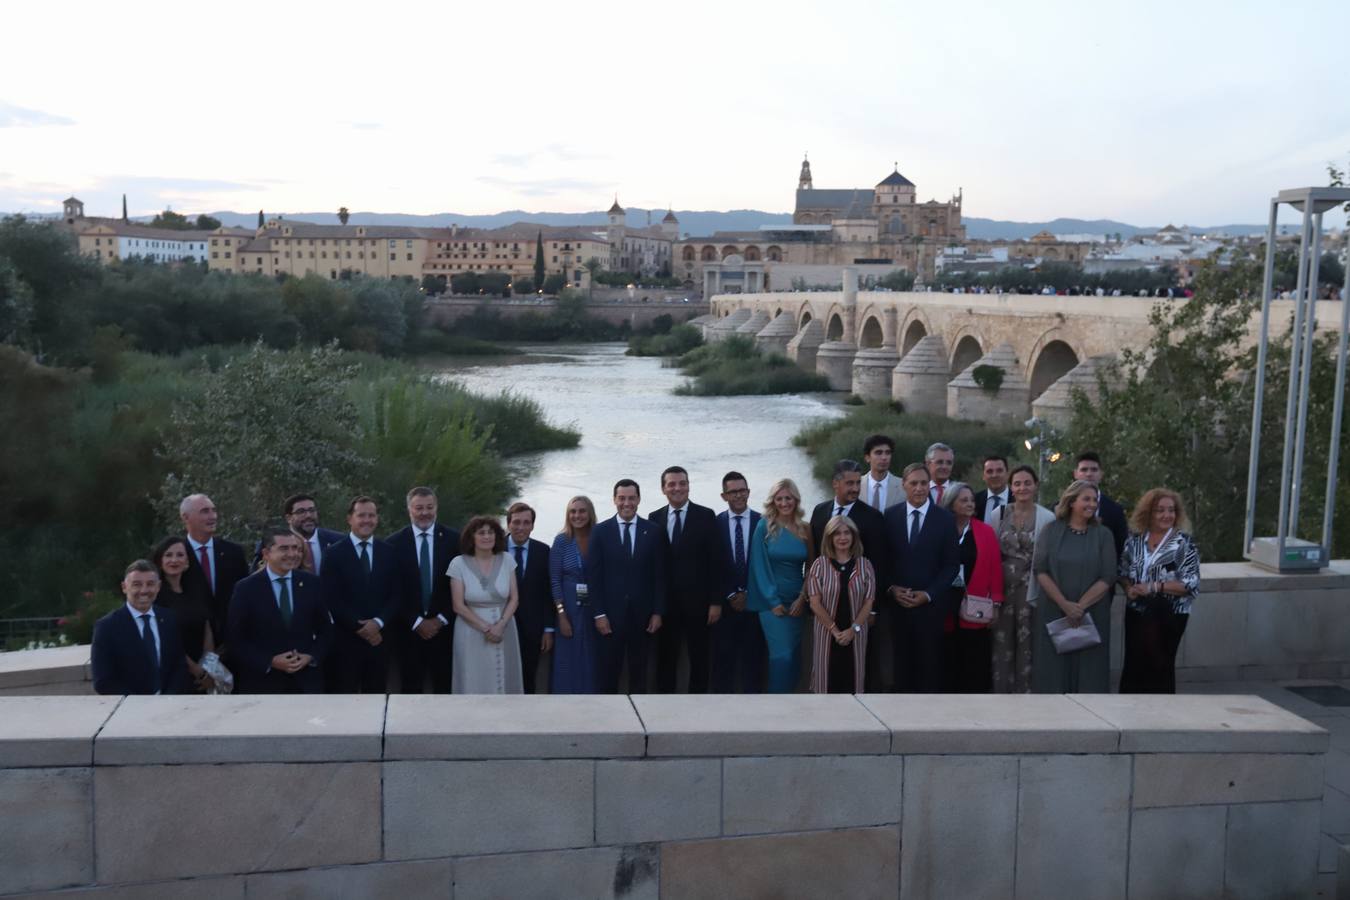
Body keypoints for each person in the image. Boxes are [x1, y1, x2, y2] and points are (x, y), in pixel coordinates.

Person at [1031, 480, 1119, 694]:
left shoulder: (1103, 534)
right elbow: (1040, 570)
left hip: (1092, 612)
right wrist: (1064, 605)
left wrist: (1079, 607)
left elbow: (1108, 576)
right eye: (1086, 499)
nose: (1092, 504)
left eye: (1095, 500)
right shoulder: (1051, 530)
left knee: (1090, 668)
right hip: (1054, 610)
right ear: (1071, 502)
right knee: (1052, 668)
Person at [809, 459, 889, 690]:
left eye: (857, 483)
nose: (855, 488)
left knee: (858, 669)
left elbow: (878, 563)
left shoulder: (872, 517)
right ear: (835, 484)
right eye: (849, 483)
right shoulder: (820, 510)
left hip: (858, 607)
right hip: (827, 603)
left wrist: (872, 610)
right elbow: (815, 553)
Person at [226, 527, 333, 694]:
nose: (292, 554)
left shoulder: (312, 584)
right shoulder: (246, 589)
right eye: (284, 548)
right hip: (264, 684)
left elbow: (325, 630)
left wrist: (310, 657)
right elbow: (236, 638)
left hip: (306, 683)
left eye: (295, 548)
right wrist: (270, 661)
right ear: (266, 553)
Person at [884, 462, 960, 693]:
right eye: (914, 483)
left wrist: (928, 595)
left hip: (931, 609)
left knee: (930, 669)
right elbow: (883, 560)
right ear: (904, 485)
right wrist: (891, 589)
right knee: (901, 669)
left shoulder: (945, 519)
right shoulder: (890, 516)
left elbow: (951, 566)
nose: (919, 488)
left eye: (924, 483)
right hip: (898, 607)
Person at [585, 479, 666, 694]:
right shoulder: (601, 532)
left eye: (631, 498)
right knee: (608, 672)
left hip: (643, 616)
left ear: (638, 499)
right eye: (622, 498)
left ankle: (640, 722)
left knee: (640, 673)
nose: (626, 503)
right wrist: (599, 614)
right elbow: (593, 577)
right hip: (610, 617)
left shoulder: (654, 531)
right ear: (614, 500)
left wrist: (658, 612)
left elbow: (660, 576)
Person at [1118, 488, 1201, 694]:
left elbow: (1191, 584)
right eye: (1160, 510)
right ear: (1148, 513)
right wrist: (1129, 588)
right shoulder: (1135, 541)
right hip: (1137, 611)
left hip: (1170, 614)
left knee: (1160, 664)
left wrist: (1154, 587)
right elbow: (1123, 571)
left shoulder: (1184, 544)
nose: (1167, 515)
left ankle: (1161, 715)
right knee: (1134, 664)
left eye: (1171, 510)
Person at [649, 466, 722, 693]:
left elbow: (715, 562)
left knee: (699, 659)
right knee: (665, 659)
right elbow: (653, 567)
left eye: (681, 483)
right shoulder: (654, 518)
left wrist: (716, 601)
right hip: (666, 606)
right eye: (671, 484)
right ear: (663, 489)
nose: (677, 488)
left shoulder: (706, 516)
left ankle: (697, 707)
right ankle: (665, 708)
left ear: (689, 486)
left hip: (699, 605)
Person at [321, 496, 402, 693]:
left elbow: (397, 593)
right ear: (350, 518)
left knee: (376, 696)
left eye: (371, 515)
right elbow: (330, 597)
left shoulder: (390, 552)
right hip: (346, 641)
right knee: (344, 698)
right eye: (361, 515)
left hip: (380, 640)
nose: (367, 520)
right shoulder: (333, 554)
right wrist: (359, 627)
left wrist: (378, 623)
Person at [986, 465, 1055, 693]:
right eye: (1017, 483)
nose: (1022, 487)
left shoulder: (1047, 517)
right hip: (1003, 590)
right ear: (1010, 487)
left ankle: (1028, 695)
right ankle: (1001, 693)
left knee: (1029, 644)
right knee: (1002, 643)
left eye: (1027, 483)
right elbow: (991, 553)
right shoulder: (1000, 513)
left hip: (1032, 589)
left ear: (1036, 485)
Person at [386, 487, 459, 694]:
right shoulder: (393, 543)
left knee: (445, 687)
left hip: (445, 630)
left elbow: (459, 586)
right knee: (410, 689)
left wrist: (440, 619)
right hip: (408, 631)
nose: (425, 513)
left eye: (429, 507)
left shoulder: (455, 540)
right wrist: (416, 621)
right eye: (419, 508)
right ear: (409, 510)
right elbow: (392, 589)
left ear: (436, 508)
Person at [746, 478, 814, 693]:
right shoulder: (763, 527)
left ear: (796, 499)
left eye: (789, 498)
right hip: (771, 605)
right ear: (773, 501)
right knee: (782, 657)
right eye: (779, 499)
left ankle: (793, 710)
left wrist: (802, 599)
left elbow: (812, 567)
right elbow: (758, 567)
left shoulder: (805, 529)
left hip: (797, 603)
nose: (784, 503)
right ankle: (776, 710)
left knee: (794, 657)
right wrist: (773, 601)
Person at [937, 483, 1004, 693]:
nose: (970, 504)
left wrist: (997, 601)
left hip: (975, 603)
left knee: (974, 658)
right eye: (963, 500)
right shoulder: (940, 529)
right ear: (951, 503)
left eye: (971, 500)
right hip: (944, 602)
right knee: (946, 656)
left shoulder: (985, 531)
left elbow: (994, 567)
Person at [448, 516, 524, 694]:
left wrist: (500, 625)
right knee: (472, 677)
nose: (487, 536)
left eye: (491, 532)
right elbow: (458, 605)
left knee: (505, 679)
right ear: (471, 537)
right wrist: (487, 629)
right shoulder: (458, 564)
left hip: (505, 627)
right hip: (471, 630)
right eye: (481, 532)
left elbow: (514, 598)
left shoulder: (507, 560)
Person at [92, 560, 189, 695]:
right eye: (137, 584)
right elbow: (103, 681)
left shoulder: (169, 619)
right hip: (131, 710)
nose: (144, 590)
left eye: (150, 584)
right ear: (124, 587)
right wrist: (141, 704)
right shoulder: (107, 627)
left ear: (158, 586)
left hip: (169, 707)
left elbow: (179, 665)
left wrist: (168, 699)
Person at [806, 516, 876, 694]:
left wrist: (853, 630)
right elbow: (815, 603)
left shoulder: (865, 565)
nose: (842, 537)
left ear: (854, 536)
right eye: (837, 533)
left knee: (853, 681)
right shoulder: (819, 566)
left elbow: (868, 602)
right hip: (827, 634)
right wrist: (835, 631)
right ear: (829, 537)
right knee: (825, 682)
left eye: (847, 533)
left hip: (856, 634)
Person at [711, 472, 765, 693]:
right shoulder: (714, 524)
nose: (739, 495)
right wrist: (731, 594)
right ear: (724, 496)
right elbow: (713, 566)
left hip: (756, 604)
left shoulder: (763, 522)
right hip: (725, 606)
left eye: (742, 490)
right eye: (733, 492)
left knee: (754, 663)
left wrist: (749, 593)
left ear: (749, 492)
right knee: (723, 663)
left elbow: (765, 565)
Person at [179, 493, 249, 643]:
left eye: (214, 510)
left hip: (234, 642)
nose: (213, 516)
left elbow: (246, 597)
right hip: (191, 643)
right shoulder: (175, 555)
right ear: (185, 517)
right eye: (205, 511)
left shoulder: (234, 552)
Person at [151, 536, 216, 693]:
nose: (174, 560)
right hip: (174, 674)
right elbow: (165, 640)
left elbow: (206, 627)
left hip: (205, 674)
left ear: (187, 561)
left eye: (180, 555)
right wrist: (196, 670)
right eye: (168, 555)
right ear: (160, 560)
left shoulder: (196, 591)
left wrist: (209, 668)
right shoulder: (155, 597)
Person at [551, 496, 600, 694]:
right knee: (568, 657)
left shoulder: (600, 536)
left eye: (582, 511)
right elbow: (555, 580)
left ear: (590, 514)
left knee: (593, 654)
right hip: (569, 608)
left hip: (595, 606)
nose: (577, 516)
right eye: (573, 511)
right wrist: (561, 614)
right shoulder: (562, 541)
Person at [506, 501, 554, 694]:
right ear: (508, 524)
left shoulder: (543, 551)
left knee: (528, 678)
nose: (521, 527)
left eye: (526, 523)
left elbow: (547, 592)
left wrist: (549, 629)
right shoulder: (494, 548)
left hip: (533, 628)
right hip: (502, 625)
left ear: (533, 526)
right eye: (516, 522)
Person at [1073, 452, 1128, 560]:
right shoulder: (1060, 508)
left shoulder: (1115, 510)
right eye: (1084, 470)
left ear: (1101, 474)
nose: (1089, 474)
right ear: (1075, 474)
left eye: (1094, 470)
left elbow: (1120, 548)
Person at [862, 434, 904, 511]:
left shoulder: (903, 486)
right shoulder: (857, 485)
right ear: (867, 458)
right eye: (878, 453)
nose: (884, 457)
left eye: (888, 453)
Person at [973, 455, 1011, 522]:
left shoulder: (1018, 500)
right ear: (983, 476)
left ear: (1007, 474)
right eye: (990, 471)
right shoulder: (974, 501)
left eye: (999, 470)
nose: (994, 475)